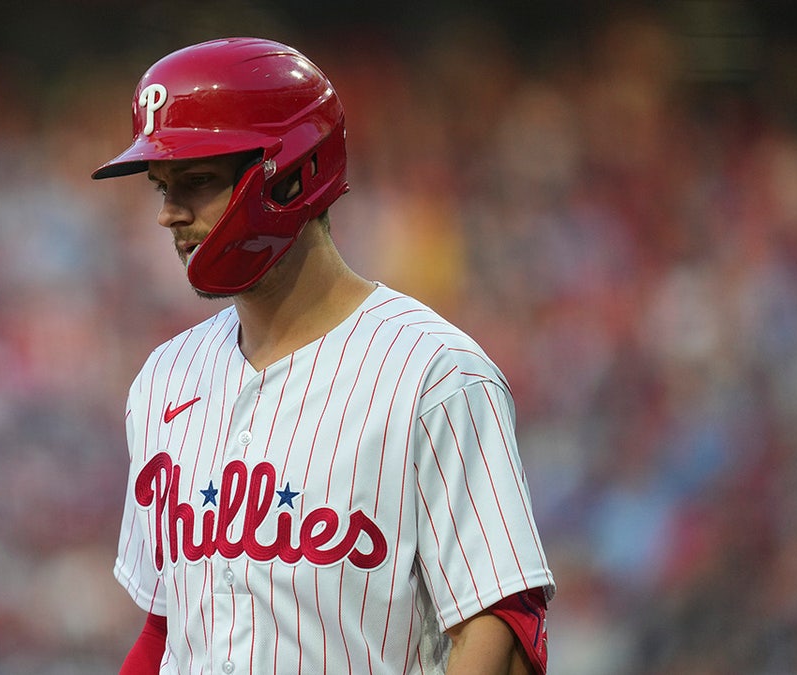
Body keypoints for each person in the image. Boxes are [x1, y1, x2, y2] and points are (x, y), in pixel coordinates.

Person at [92, 37, 555, 675]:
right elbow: (164, 627)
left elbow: (499, 622)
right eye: (161, 186)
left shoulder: (433, 372)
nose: (169, 214)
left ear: (291, 171)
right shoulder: (164, 379)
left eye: (195, 182)